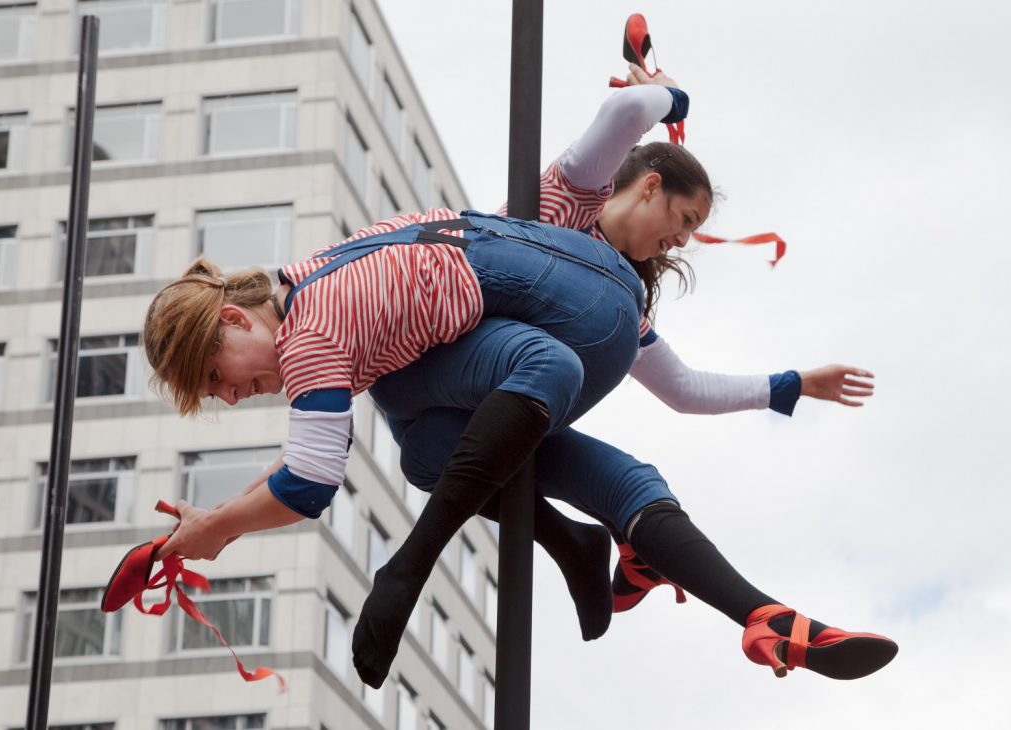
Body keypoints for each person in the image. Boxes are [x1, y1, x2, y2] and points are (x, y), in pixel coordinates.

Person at [354, 67, 895, 686]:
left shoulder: (621, 296)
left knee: (633, 482)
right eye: (685, 219)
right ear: (650, 187)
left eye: (692, 231)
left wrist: (789, 384)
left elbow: (684, 390)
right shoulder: (570, 197)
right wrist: (669, 96)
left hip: (474, 427)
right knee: (535, 374)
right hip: (426, 382)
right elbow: (628, 111)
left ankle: (761, 615)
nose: (683, 240)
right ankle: (544, 547)